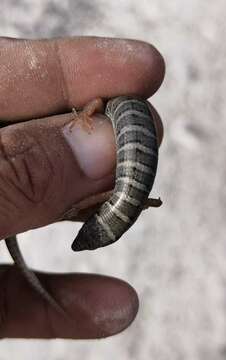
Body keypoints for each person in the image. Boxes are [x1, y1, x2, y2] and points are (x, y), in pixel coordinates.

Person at [0, 36, 165, 339]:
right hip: (127, 114)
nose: (82, 238)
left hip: (125, 115)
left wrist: (147, 202)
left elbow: (137, 200)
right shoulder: (115, 203)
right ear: (99, 224)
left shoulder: (124, 202)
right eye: (89, 237)